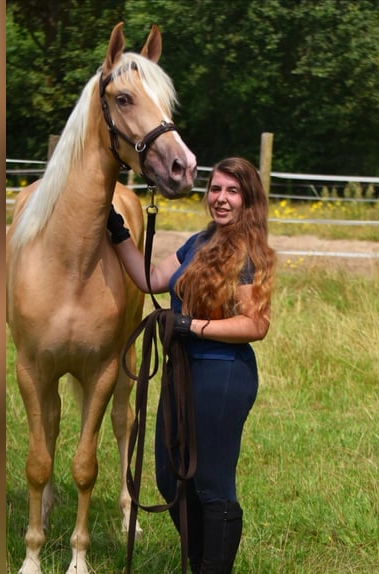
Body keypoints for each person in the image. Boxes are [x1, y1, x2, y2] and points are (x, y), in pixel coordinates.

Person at [107, 157, 276, 573]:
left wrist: (190, 325)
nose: (220, 198)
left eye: (232, 191)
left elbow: (256, 325)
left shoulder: (248, 253)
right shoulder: (197, 242)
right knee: (170, 478)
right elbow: (148, 280)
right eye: (216, 189)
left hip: (223, 374)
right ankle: (201, 561)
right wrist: (117, 232)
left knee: (212, 484)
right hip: (183, 372)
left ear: (248, 200)